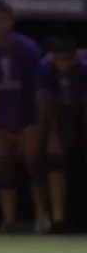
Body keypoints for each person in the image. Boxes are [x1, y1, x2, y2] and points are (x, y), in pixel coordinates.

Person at [0, 2, 44, 232]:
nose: (0, 24)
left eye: (4, 19)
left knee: (33, 160)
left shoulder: (27, 48)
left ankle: (42, 216)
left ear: (12, 21)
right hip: (1, 122)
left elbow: (39, 88)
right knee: (1, 164)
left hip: (27, 119)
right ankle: (9, 219)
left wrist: (37, 122)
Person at [34, 37, 86, 234]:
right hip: (56, 123)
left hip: (78, 121)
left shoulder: (83, 70)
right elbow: (46, 105)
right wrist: (54, 135)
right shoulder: (45, 69)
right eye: (59, 59)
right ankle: (57, 219)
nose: (64, 64)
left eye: (68, 59)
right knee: (51, 158)